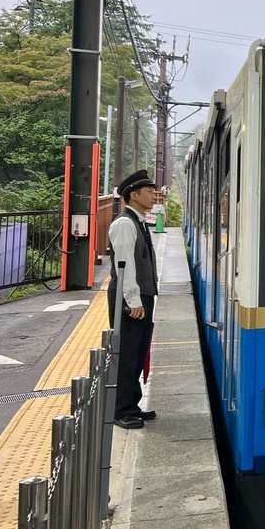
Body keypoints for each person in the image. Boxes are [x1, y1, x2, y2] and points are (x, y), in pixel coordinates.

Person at [107, 169, 160, 430]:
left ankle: (132, 404)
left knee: (138, 352)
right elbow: (124, 266)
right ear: (133, 195)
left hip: (141, 297)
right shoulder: (125, 224)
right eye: (149, 191)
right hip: (130, 300)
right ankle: (120, 410)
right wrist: (133, 301)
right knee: (127, 354)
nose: (153, 195)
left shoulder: (137, 221)